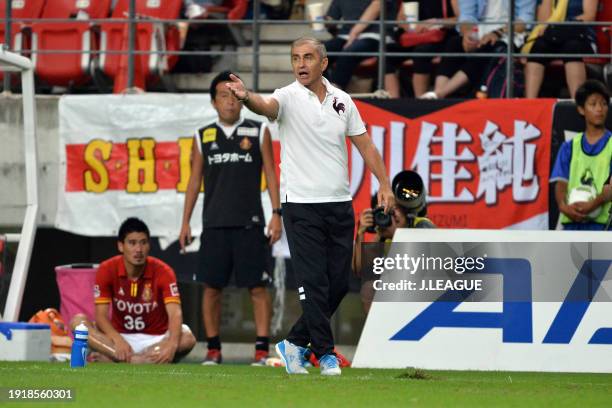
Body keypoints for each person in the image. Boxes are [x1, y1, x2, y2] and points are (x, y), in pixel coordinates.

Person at [225, 36, 394, 376]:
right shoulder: (286, 97)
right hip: (301, 205)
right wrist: (247, 99)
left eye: (307, 58)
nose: (300, 64)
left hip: (339, 205)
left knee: (338, 285)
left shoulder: (343, 102)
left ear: (324, 63)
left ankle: (293, 344)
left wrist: (385, 184)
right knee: (315, 282)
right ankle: (326, 354)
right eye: (295, 58)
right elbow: (265, 106)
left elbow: (366, 147)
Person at [179, 71, 282, 366]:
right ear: (213, 103)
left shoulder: (258, 130)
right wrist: (185, 222)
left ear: (241, 98)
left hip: (251, 222)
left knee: (257, 288)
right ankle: (213, 349)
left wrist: (276, 214)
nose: (229, 101)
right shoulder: (203, 136)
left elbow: (272, 176)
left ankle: (261, 350)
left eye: (234, 95)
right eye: (223, 96)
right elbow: (193, 182)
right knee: (211, 288)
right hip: (214, 223)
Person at [71, 217, 196, 364]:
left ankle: (123, 359)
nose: (139, 249)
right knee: (77, 322)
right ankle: (138, 360)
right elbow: (101, 316)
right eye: (132, 243)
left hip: (156, 339)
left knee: (187, 337)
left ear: (149, 245)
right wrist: (117, 340)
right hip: (119, 338)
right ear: (121, 246)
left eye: (143, 243)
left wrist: (171, 344)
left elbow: (175, 313)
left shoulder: (164, 271)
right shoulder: (106, 269)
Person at [353, 171, 434, 313]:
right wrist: (360, 234)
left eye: (395, 208)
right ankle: (379, 332)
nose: (392, 215)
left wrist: (396, 234)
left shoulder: (422, 225)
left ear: (406, 211)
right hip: (401, 294)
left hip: (429, 290)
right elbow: (360, 270)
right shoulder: (383, 236)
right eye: (386, 212)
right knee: (369, 288)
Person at [420, 0, 536, 99]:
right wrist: (467, 34)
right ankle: (437, 91)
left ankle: (441, 93)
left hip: (510, 31)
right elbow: (466, 16)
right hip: (480, 28)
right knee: (454, 43)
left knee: (489, 47)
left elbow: (525, 20)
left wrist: (497, 33)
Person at [550, 79, 612, 230]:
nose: (599, 109)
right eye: (593, 104)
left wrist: (592, 205)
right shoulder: (569, 147)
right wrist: (563, 206)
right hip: (572, 223)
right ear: (581, 109)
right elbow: (561, 183)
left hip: (603, 226)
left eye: (603, 104)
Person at [524, 0, 599, 99]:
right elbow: (542, 21)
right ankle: (529, 103)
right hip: (553, 35)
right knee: (538, 47)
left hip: (579, 33)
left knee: (571, 47)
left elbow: (589, 16)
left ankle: (577, 102)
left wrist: (562, 26)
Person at [323, 0, 399, 95]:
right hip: (345, 36)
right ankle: (319, 90)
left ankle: (333, 94)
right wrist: (322, 20)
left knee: (348, 53)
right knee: (318, 53)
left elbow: (377, 6)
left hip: (376, 35)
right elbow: (332, 20)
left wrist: (355, 32)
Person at [386, 0, 459, 97]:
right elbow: (400, 19)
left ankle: (420, 100)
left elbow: (460, 19)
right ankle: (393, 100)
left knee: (421, 53)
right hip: (414, 37)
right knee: (386, 53)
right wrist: (407, 26)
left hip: (441, 36)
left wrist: (436, 22)